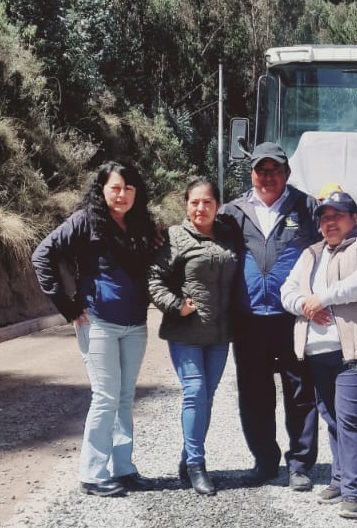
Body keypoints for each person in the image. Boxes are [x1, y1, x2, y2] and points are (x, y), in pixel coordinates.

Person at [31, 161, 158, 497]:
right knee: (105, 397)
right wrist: (68, 307)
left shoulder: (141, 224)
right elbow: (42, 255)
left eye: (128, 188)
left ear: (136, 192)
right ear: (102, 189)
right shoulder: (85, 220)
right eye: (115, 187)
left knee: (124, 398)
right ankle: (92, 473)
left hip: (135, 324)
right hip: (98, 322)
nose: (121, 194)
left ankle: (124, 469)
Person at [280, 191, 357, 519]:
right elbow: (287, 290)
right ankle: (341, 479)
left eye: (337, 215)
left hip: (355, 351)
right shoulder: (310, 254)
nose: (329, 222)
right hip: (317, 351)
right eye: (324, 217)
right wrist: (304, 305)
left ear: (353, 218)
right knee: (331, 416)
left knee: (350, 417)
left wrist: (322, 298)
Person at [223, 142, 321, 491]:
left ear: (286, 173)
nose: (267, 176)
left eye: (274, 170)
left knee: (299, 391)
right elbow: (202, 238)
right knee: (254, 392)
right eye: (261, 170)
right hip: (248, 318)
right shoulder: (232, 211)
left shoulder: (307, 206)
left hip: (292, 318)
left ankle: (300, 465)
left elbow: (338, 234)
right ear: (251, 173)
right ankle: (264, 461)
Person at [148, 178, 242, 496]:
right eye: (194, 202)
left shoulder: (228, 235)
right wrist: (176, 306)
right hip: (185, 332)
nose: (200, 208)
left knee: (207, 398)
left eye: (207, 202)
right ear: (186, 205)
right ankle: (197, 466)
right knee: (195, 391)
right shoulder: (174, 237)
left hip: (219, 334)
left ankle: (187, 457)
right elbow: (155, 278)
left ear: (217, 205)